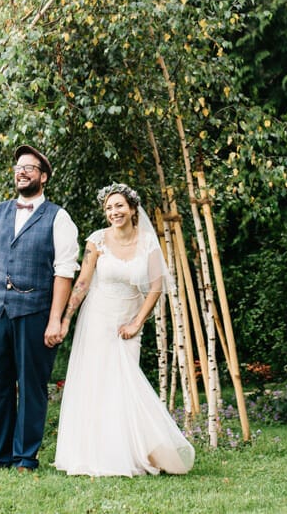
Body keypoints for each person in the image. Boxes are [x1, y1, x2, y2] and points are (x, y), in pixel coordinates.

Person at [53, 182, 195, 477]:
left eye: (119, 206)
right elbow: (82, 284)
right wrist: (66, 318)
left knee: (126, 385)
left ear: (132, 209)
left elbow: (156, 287)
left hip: (129, 319)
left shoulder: (148, 243)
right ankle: (96, 455)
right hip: (98, 319)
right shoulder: (97, 241)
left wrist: (136, 323)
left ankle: (131, 451)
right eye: (108, 208)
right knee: (98, 385)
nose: (113, 212)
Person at [0, 145, 80, 472]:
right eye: (19, 167)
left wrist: (55, 320)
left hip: (34, 314)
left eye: (30, 168)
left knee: (32, 387)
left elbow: (64, 273)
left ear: (43, 177)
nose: (22, 172)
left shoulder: (59, 218)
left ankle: (25, 457)